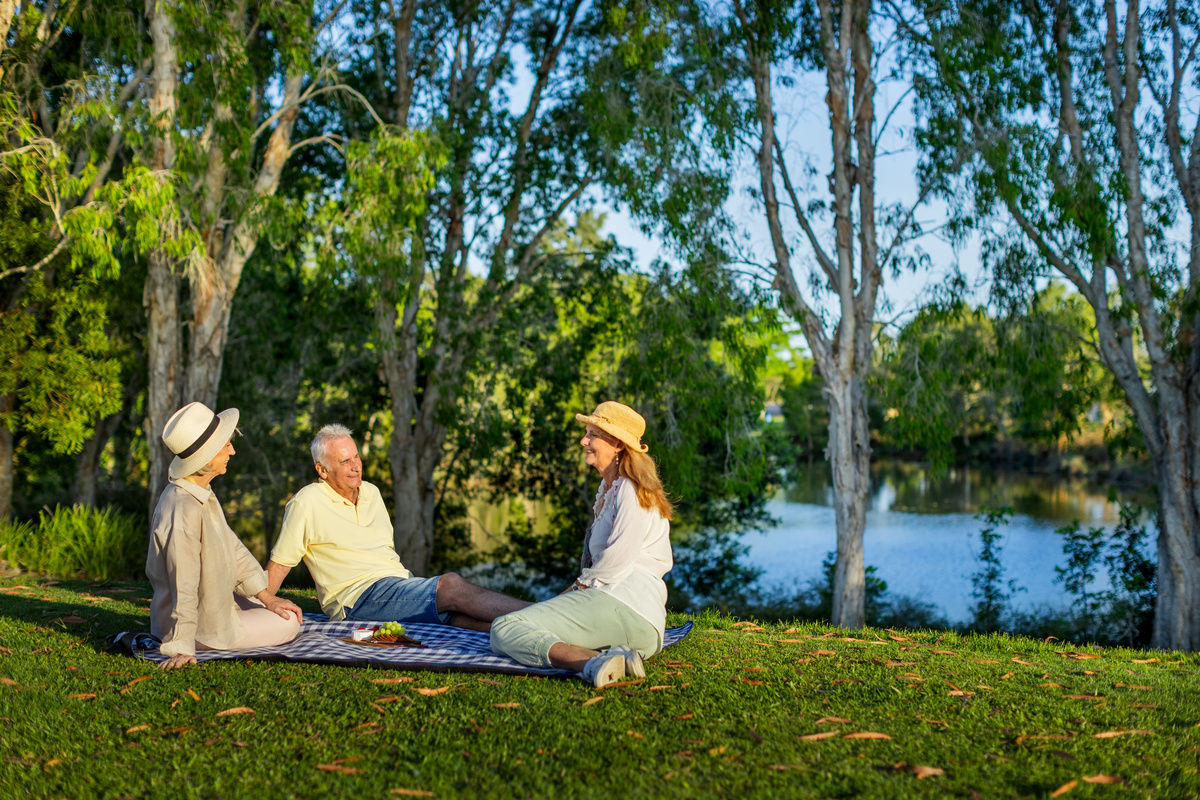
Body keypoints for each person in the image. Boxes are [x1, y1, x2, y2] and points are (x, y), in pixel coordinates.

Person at [266, 424, 530, 631]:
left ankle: (536, 627)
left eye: (356, 456)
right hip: (355, 600)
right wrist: (261, 601)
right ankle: (544, 611)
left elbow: (386, 556)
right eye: (345, 461)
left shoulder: (371, 492)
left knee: (457, 616)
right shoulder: (307, 502)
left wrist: (409, 586)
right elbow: (280, 564)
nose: (356, 466)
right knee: (450, 585)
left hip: (397, 585)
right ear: (322, 471)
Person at [490, 401, 673, 687]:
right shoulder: (611, 489)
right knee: (529, 622)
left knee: (506, 627)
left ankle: (591, 664)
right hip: (630, 616)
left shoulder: (630, 488)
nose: (583, 440)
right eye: (587, 432)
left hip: (624, 605)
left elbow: (615, 562)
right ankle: (619, 658)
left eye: (592, 435)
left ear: (618, 445)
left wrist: (572, 591)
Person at [148, 402, 303, 669]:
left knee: (267, 603)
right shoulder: (183, 506)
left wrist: (267, 597)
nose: (232, 450)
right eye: (225, 445)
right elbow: (182, 581)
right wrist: (181, 645)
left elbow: (233, 549)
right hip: (196, 627)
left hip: (209, 608)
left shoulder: (200, 494)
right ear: (207, 458)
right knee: (289, 623)